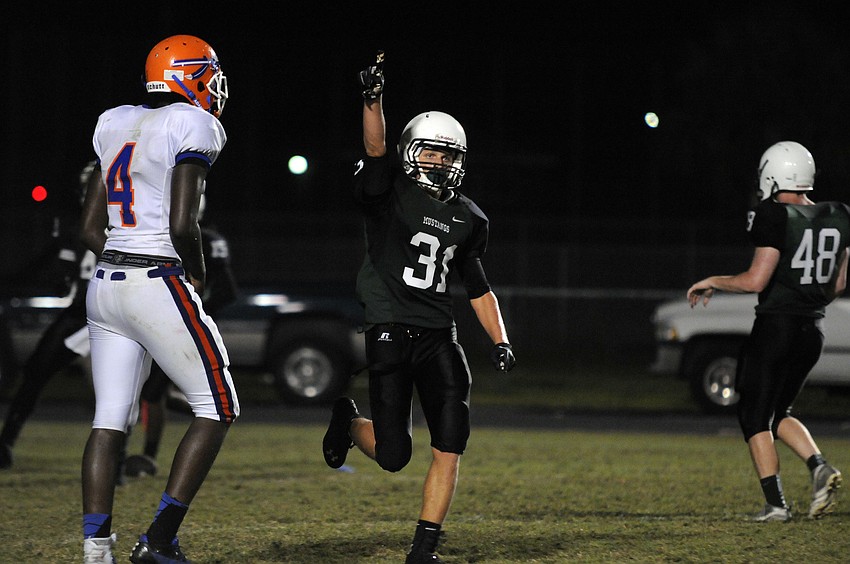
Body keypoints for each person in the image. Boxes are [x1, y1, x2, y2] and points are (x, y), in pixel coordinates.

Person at [322, 52, 516, 563]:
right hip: (388, 326)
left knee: (451, 438)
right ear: (411, 152)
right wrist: (373, 99)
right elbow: (375, 146)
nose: (438, 162)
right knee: (393, 455)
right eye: (429, 153)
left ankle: (423, 549)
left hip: (437, 335)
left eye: (447, 156)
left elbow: (476, 285)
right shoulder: (389, 192)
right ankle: (347, 422)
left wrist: (500, 339)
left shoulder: (469, 217)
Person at [79, 34, 239, 564]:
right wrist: (192, 276)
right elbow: (181, 222)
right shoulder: (193, 123)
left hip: (104, 285)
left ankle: (96, 550)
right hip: (157, 277)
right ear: (188, 73)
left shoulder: (112, 120)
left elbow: (88, 226)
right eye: (209, 74)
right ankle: (161, 539)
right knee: (218, 405)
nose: (215, 86)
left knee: (108, 420)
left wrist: (121, 259)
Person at [687, 140, 847, 522]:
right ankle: (819, 467)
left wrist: (714, 280)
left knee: (753, 415)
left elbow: (756, 279)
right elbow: (839, 283)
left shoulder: (774, 215)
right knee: (778, 410)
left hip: (777, 327)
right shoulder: (838, 214)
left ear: (773, 174)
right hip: (812, 331)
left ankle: (776, 505)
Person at [124, 196, 239, 478]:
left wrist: (193, 311)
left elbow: (227, 290)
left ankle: (146, 457)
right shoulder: (165, 237)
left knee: (152, 392)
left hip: (188, 328)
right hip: (167, 326)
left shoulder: (206, 241)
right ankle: (145, 455)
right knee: (153, 392)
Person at [0, 162, 97, 470]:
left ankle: (118, 460)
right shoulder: (77, 229)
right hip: (80, 316)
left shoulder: (122, 225)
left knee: (119, 393)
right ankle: (6, 441)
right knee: (35, 372)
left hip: (108, 319)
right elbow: (48, 266)